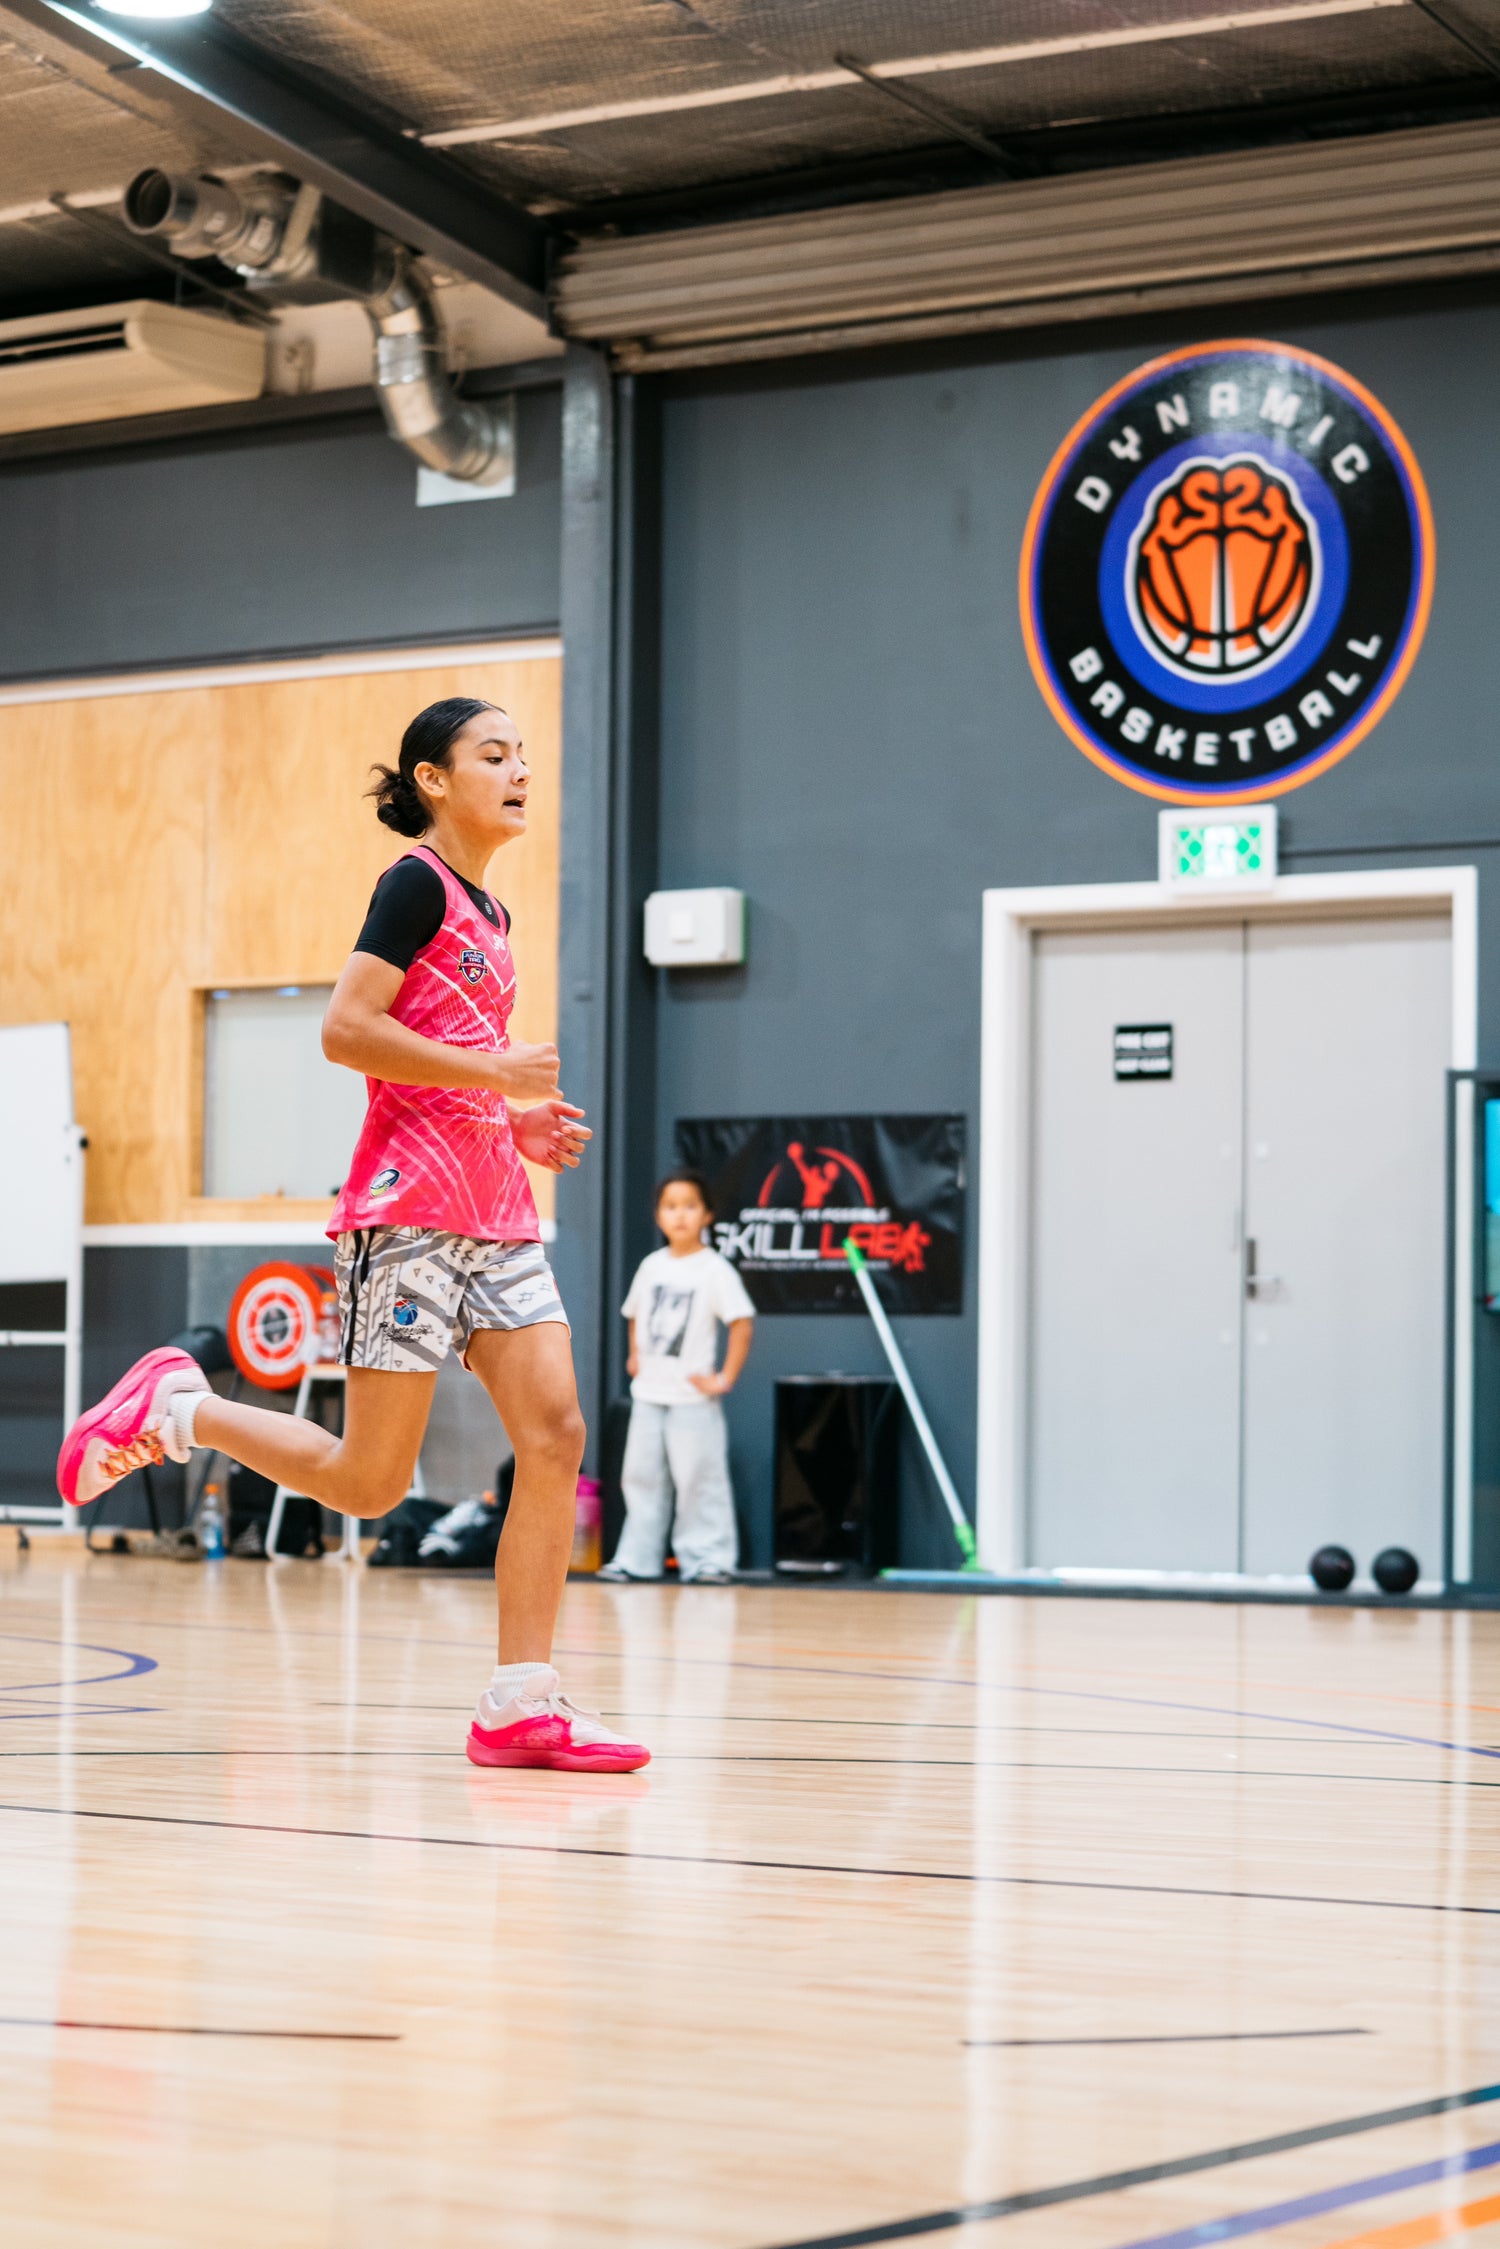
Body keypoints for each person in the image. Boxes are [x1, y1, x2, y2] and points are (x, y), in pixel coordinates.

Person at [56, 696, 649, 1774]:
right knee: (372, 1482)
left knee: (555, 1432)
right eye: (493, 754)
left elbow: (437, 1056)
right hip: (407, 1210)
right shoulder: (414, 882)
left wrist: (507, 1113)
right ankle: (180, 1406)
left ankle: (521, 1697)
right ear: (433, 777)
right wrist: (495, 1074)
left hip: (495, 1211)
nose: (521, 770)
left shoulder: (493, 914)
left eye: (525, 755)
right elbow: (347, 1030)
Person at [600, 1171, 755, 1585]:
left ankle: (708, 1560)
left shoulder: (715, 1269)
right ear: (658, 1216)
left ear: (707, 1215)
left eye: (690, 1205)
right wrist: (635, 1354)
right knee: (640, 1478)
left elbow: (742, 1322)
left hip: (692, 1399)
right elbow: (634, 1314)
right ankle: (637, 1559)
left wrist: (723, 1378)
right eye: (670, 1206)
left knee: (699, 1481)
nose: (680, 1215)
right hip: (650, 1393)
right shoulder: (652, 1266)